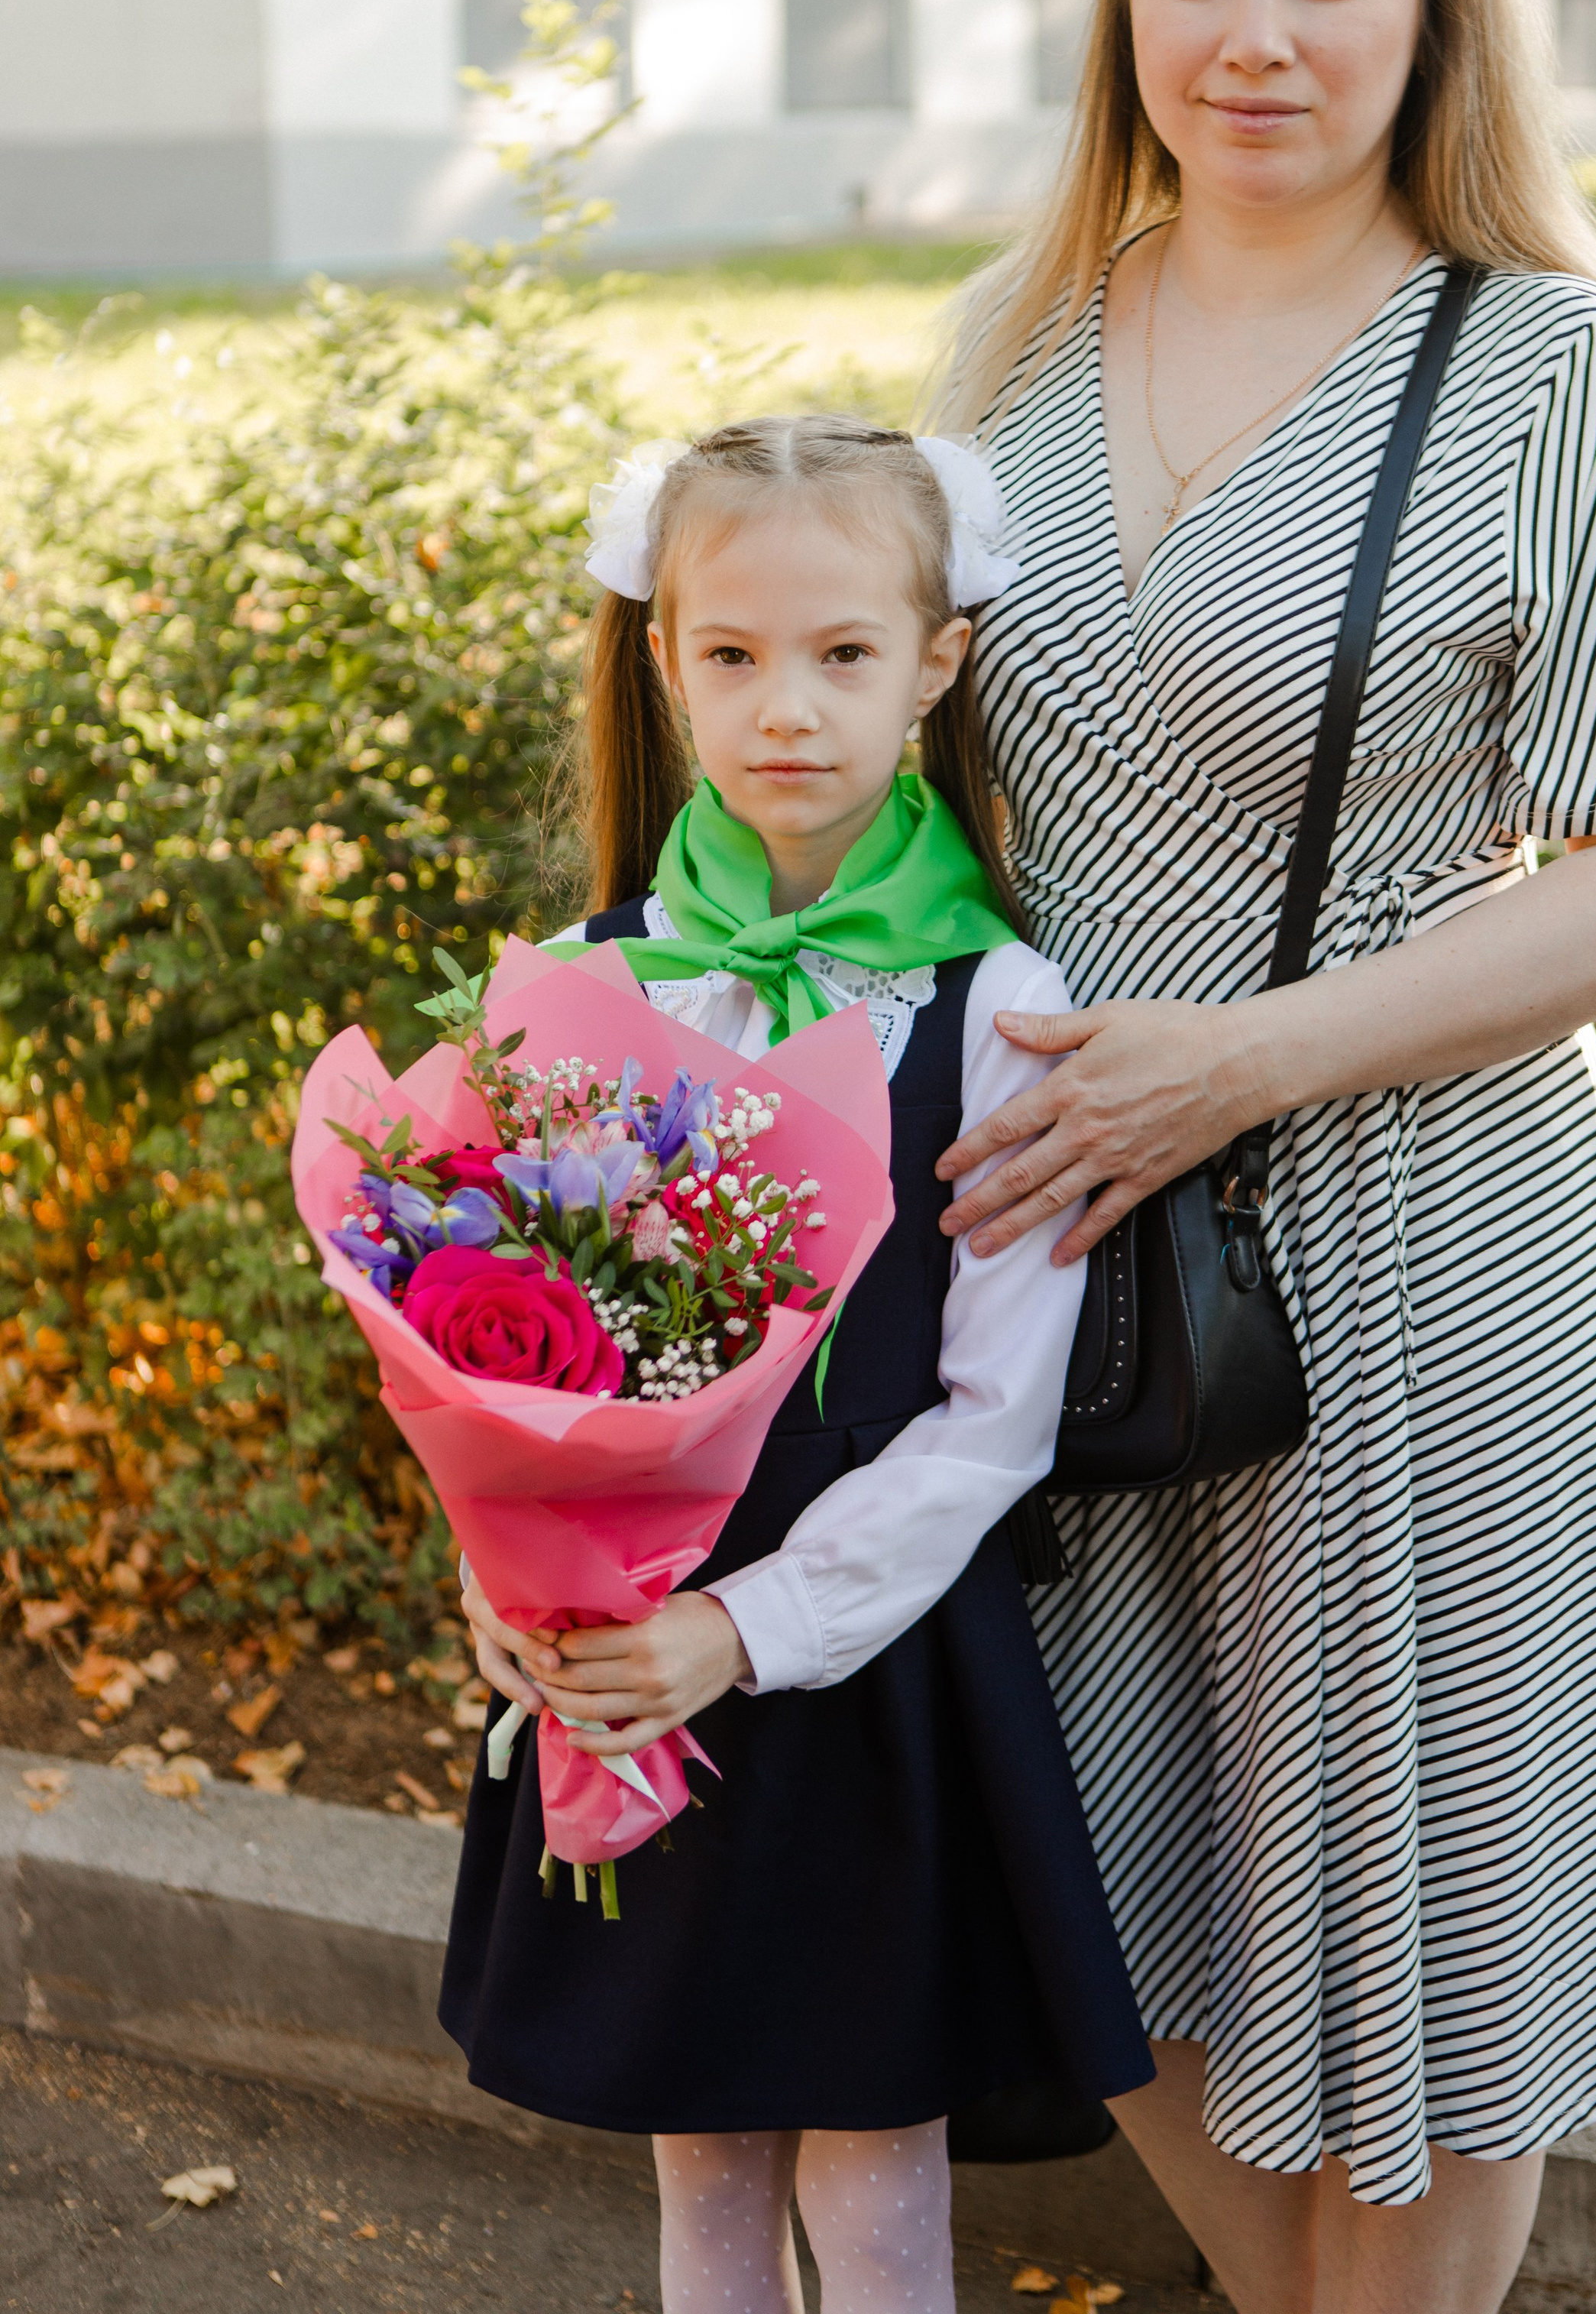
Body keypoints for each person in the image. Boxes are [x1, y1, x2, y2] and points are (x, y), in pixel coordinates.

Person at [930, 0, 1596, 2314]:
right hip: (1071, 1272)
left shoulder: (1559, 368)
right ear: (1121, 1)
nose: (1257, 30)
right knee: (1119, 1913)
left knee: (1416, 1974)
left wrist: (1241, 1058)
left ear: (1430, 6)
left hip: (1431, 1263)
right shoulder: (1006, 351)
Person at [442, 417, 1152, 2314]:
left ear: (938, 659)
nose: (786, 710)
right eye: (733, 654)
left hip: (860, 1661)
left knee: (870, 2147)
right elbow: (492, 1350)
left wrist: (742, 1630)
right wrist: (513, 1588)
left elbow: (990, 1418)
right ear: (660, 656)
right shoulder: (580, 983)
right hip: (621, 1631)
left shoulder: (998, 1006)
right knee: (696, 2147)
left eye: (843, 655)